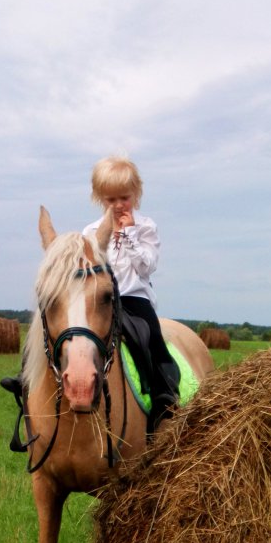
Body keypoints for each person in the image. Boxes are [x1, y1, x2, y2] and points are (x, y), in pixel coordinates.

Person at [83, 156, 180, 428]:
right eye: (110, 199)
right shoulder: (90, 231)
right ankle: (28, 382)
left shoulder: (146, 226)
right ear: (99, 198)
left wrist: (129, 235)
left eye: (123, 198)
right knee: (68, 330)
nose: (117, 205)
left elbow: (147, 267)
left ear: (136, 194)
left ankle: (165, 395)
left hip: (134, 298)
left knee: (152, 340)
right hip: (101, 298)